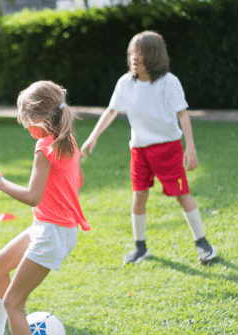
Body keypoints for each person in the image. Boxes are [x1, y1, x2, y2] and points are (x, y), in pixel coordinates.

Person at [0, 81, 90, 335]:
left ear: (36, 119)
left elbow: (31, 197)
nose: (24, 127)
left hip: (51, 233)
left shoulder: (45, 147)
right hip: (49, 227)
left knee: (14, 303)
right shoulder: (68, 141)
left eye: (24, 120)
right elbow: (79, 180)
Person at [80, 30, 217, 265]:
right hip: (140, 151)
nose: (134, 57)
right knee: (139, 195)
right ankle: (140, 248)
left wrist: (190, 148)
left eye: (140, 52)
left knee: (182, 195)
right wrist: (93, 137)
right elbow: (112, 110)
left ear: (153, 55)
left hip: (168, 149)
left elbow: (183, 115)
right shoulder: (125, 83)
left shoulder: (169, 82)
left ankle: (203, 245)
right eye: (132, 51)